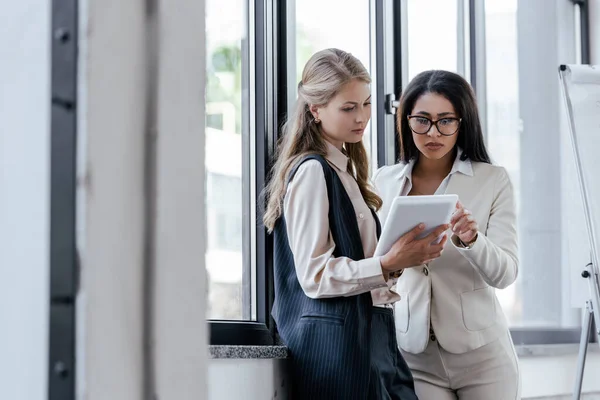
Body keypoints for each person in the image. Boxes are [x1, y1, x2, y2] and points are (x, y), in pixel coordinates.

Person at [262, 48, 448, 399]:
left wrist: (401, 259)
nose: (361, 117)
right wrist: (388, 262)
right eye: (348, 108)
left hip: (372, 333)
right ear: (315, 110)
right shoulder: (313, 171)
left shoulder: (346, 171)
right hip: (338, 346)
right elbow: (315, 276)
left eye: (365, 104)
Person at [373, 70, 521, 399]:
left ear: (462, 122)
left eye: (446, 121)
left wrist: (472, 240)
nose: (433, 132)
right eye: (422, 120)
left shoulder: (492, 180)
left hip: (482, 355)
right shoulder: (383, 181)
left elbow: (506, 273)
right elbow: (372, 264)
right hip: (414, 354)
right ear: (406, 121)